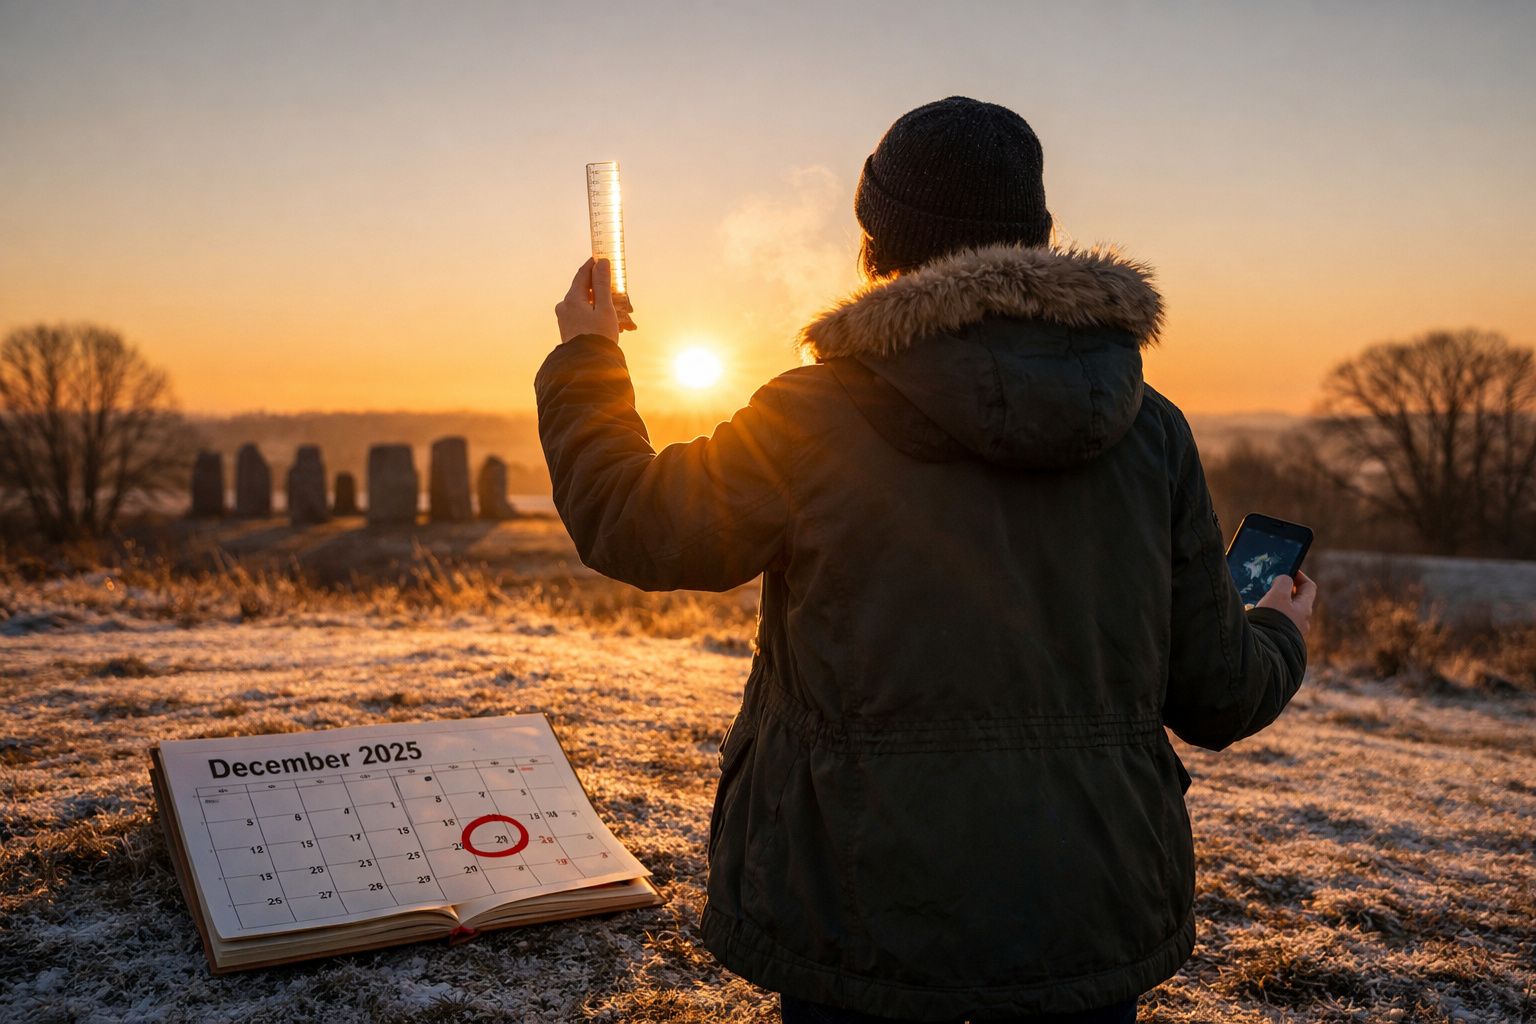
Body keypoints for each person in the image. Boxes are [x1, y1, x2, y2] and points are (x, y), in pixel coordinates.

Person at [536, 96, 1316, 1024]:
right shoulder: (1151, 431)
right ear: (1038, 241)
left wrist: (588, 358)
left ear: (874, 247)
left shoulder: (809, 419)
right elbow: (1217, 694)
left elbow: (631, 522)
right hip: (1085, 912)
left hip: (860, 913)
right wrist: (1279, 628)